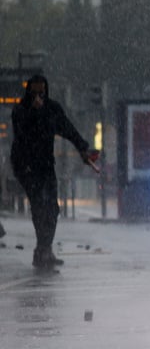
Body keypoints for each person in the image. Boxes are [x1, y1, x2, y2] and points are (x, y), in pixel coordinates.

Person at [10, 75, 97, 272]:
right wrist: (35, 112)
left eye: (42, 92)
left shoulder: (52, 109)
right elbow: (22, 134)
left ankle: (44, 248)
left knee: (52, 208)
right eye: (34, 93)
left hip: (45, 164)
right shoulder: (21, 110)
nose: (38, 97)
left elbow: (68, 129)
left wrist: (82, 147)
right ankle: (42, 250)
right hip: (26, 166)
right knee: (39, 205)